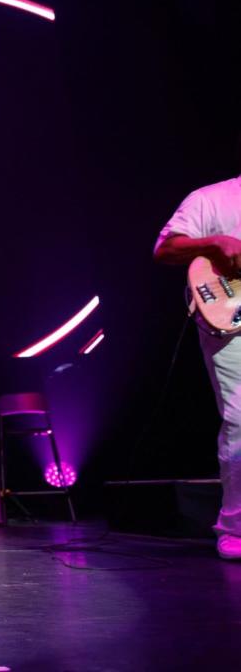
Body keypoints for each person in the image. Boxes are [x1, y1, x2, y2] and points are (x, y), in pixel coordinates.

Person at [153, 172, 241, 561]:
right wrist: (214, 242)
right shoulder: (212, 198)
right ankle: (236, 525)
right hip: (232, 321)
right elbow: (166, 249)